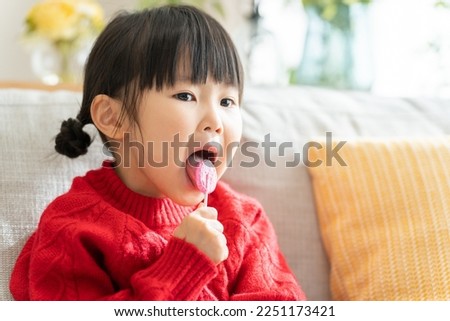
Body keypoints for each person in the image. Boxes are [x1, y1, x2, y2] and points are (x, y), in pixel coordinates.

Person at [10, 5, 306, 301]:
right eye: (186, 95)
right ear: (114, 118)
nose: (215, 121)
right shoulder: (73, 227)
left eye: (227, 101)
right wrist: (183, 266)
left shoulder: (244, 222)